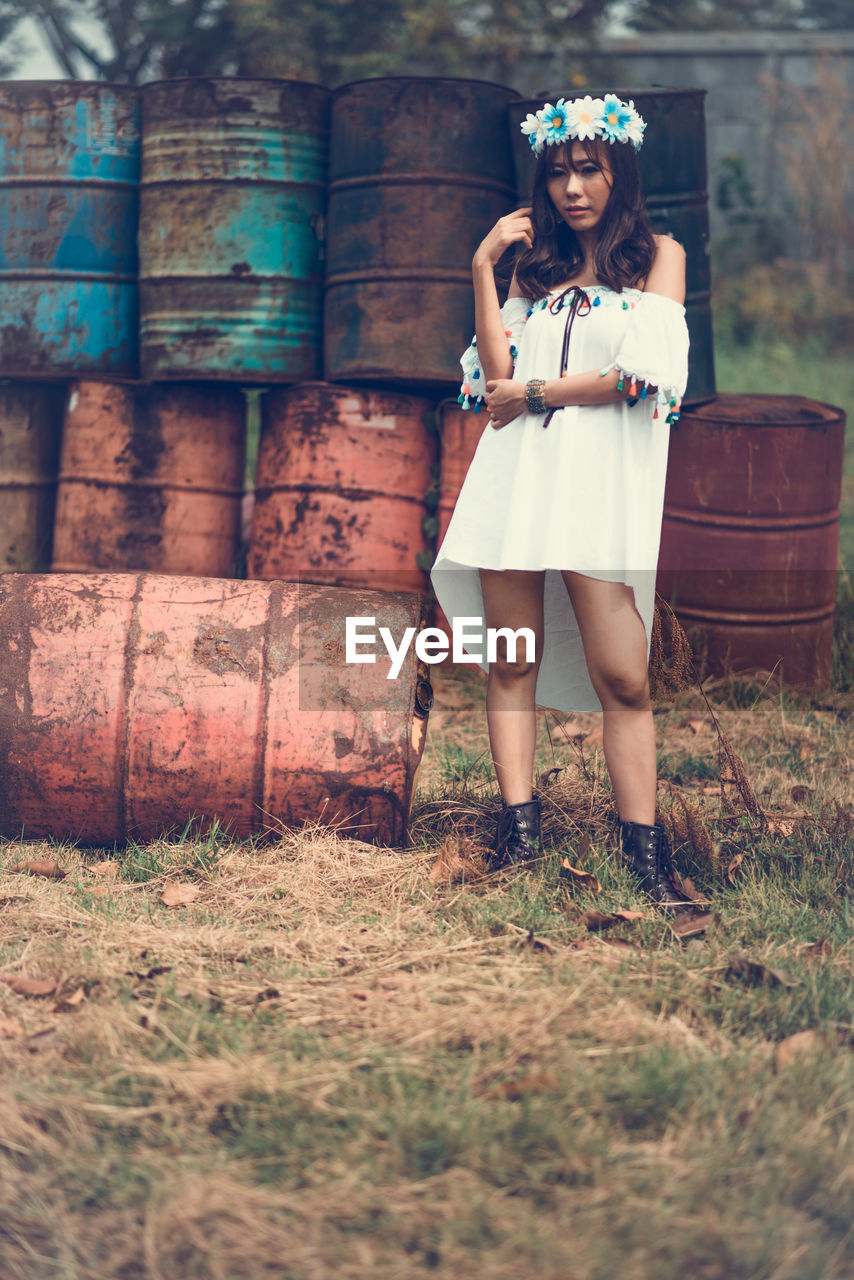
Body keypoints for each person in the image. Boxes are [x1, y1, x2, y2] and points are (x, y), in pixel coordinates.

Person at [430, 94, 691, 911]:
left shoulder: (659, 257)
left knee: (625, 676)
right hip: (515, 484)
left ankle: (644, 856)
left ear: (621, 173)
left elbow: (638, 378)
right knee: (510, 664)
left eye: (588, 170)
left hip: (597, 491)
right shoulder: (531, 269)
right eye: (558, 173)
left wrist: (535, 390)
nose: (572, 187)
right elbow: (486, 378)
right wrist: (482, 268)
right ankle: (519, 833)